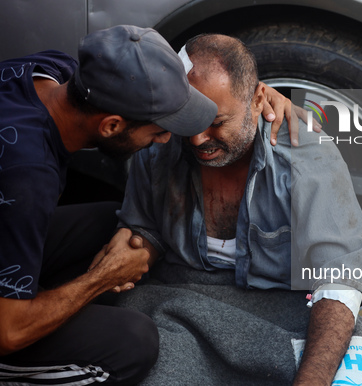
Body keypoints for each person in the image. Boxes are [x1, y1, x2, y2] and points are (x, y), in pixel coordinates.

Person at [0, 25, 298, 385]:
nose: (169, 138)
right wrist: (99, 280)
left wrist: (253, 95)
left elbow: (143, 62)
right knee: (132, 343)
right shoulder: (29, 179)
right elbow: (9, 333)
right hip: (6, 327)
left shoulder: (49, 72)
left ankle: (42, 302)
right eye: (158, 130)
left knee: (104, 222)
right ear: (111, 125)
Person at [113, 34, 362, 386]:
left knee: (345, 361)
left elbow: (339, 282)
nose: (198, 138)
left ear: (259, 99)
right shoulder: (159, 147)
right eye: (188, 120)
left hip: (285, 310)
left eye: (216, 122)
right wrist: (133, 249)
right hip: (182, 302)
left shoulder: (305, 156)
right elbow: (144, 231)